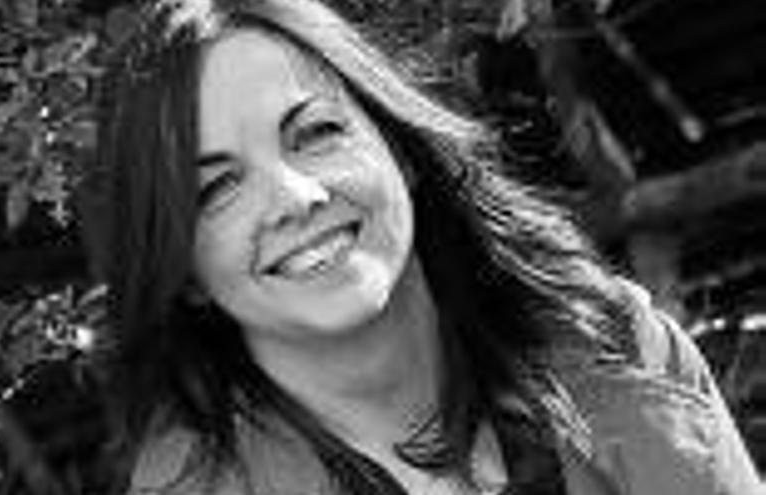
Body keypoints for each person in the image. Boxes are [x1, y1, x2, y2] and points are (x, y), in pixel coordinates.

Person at [88, 0, 762, 493]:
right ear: (183, 270)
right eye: (216, 189)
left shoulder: (615, 341)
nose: (295, 196)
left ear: (400, 147)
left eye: (315, 133)